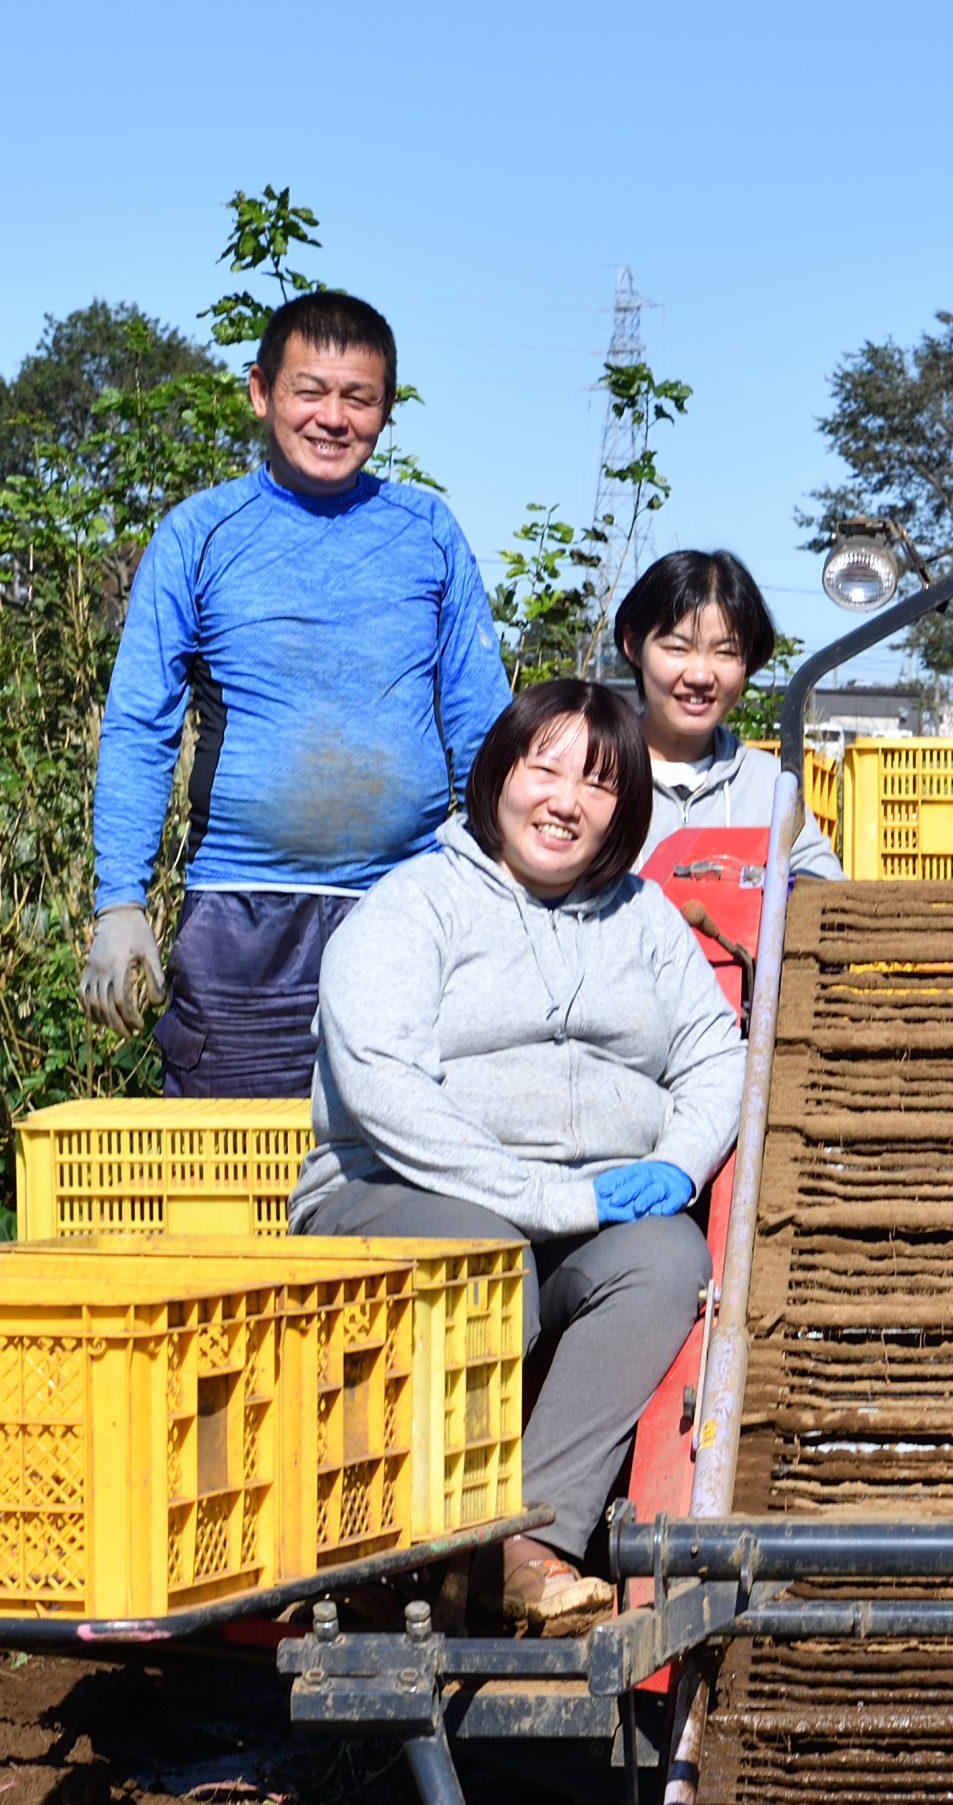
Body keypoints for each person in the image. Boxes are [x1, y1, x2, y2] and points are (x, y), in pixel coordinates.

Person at [291, 679, 742, 1633]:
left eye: (598, 782)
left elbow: (714, 1053)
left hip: (589, 1202)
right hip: (400, 1191)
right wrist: (544, 1197)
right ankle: (419, 1554)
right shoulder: (414, 906)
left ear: (626, 810)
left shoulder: (644, 917)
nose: (564, 799)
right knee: (488, 1258)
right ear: (498, 773)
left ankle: (529, 1545)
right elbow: (384, 1091)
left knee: (665, 1258)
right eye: (543, 766)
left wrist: (679, 1164)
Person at [83, 290, 512, 1097]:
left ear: (386, 409)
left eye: (359, 397)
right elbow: (141, 726)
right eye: (309, 391)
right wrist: (119, 903)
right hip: (241, 915)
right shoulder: (197, 534)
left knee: (404, 1166)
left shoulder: (426, 531)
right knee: (231, 1174)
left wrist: (498, 888)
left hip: (405, 908)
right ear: (260, 392)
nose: (333, 417)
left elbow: (483, 725)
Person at [614, 549, 843, 884]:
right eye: (677, 648)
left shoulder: (769, 786)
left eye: (725, 652)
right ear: (633, 646)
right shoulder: (597, 774)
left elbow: (826, 896)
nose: (701, 675)